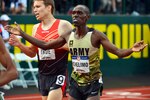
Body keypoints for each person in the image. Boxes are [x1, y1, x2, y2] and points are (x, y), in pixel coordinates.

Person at [5, 5, 148, 100]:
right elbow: (45, 45)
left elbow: (118, 52)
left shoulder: (96, 35)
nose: (75, 15)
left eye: (80, 13)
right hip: (75, 82)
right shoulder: (68, 35)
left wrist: (131, 49)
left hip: (92, 82)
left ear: (87, 17)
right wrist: (22, 34)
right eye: (73, 13)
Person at [8, 0, 72, 100]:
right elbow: (32, 53)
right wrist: (19, 44)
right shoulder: (35, 28)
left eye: (38, 7)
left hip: (59, 73)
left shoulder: (63, 25)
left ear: (49, 7)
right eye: (34, 8)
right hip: (43, 75)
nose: (35, 10)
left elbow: (74, 47)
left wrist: (54, 45)